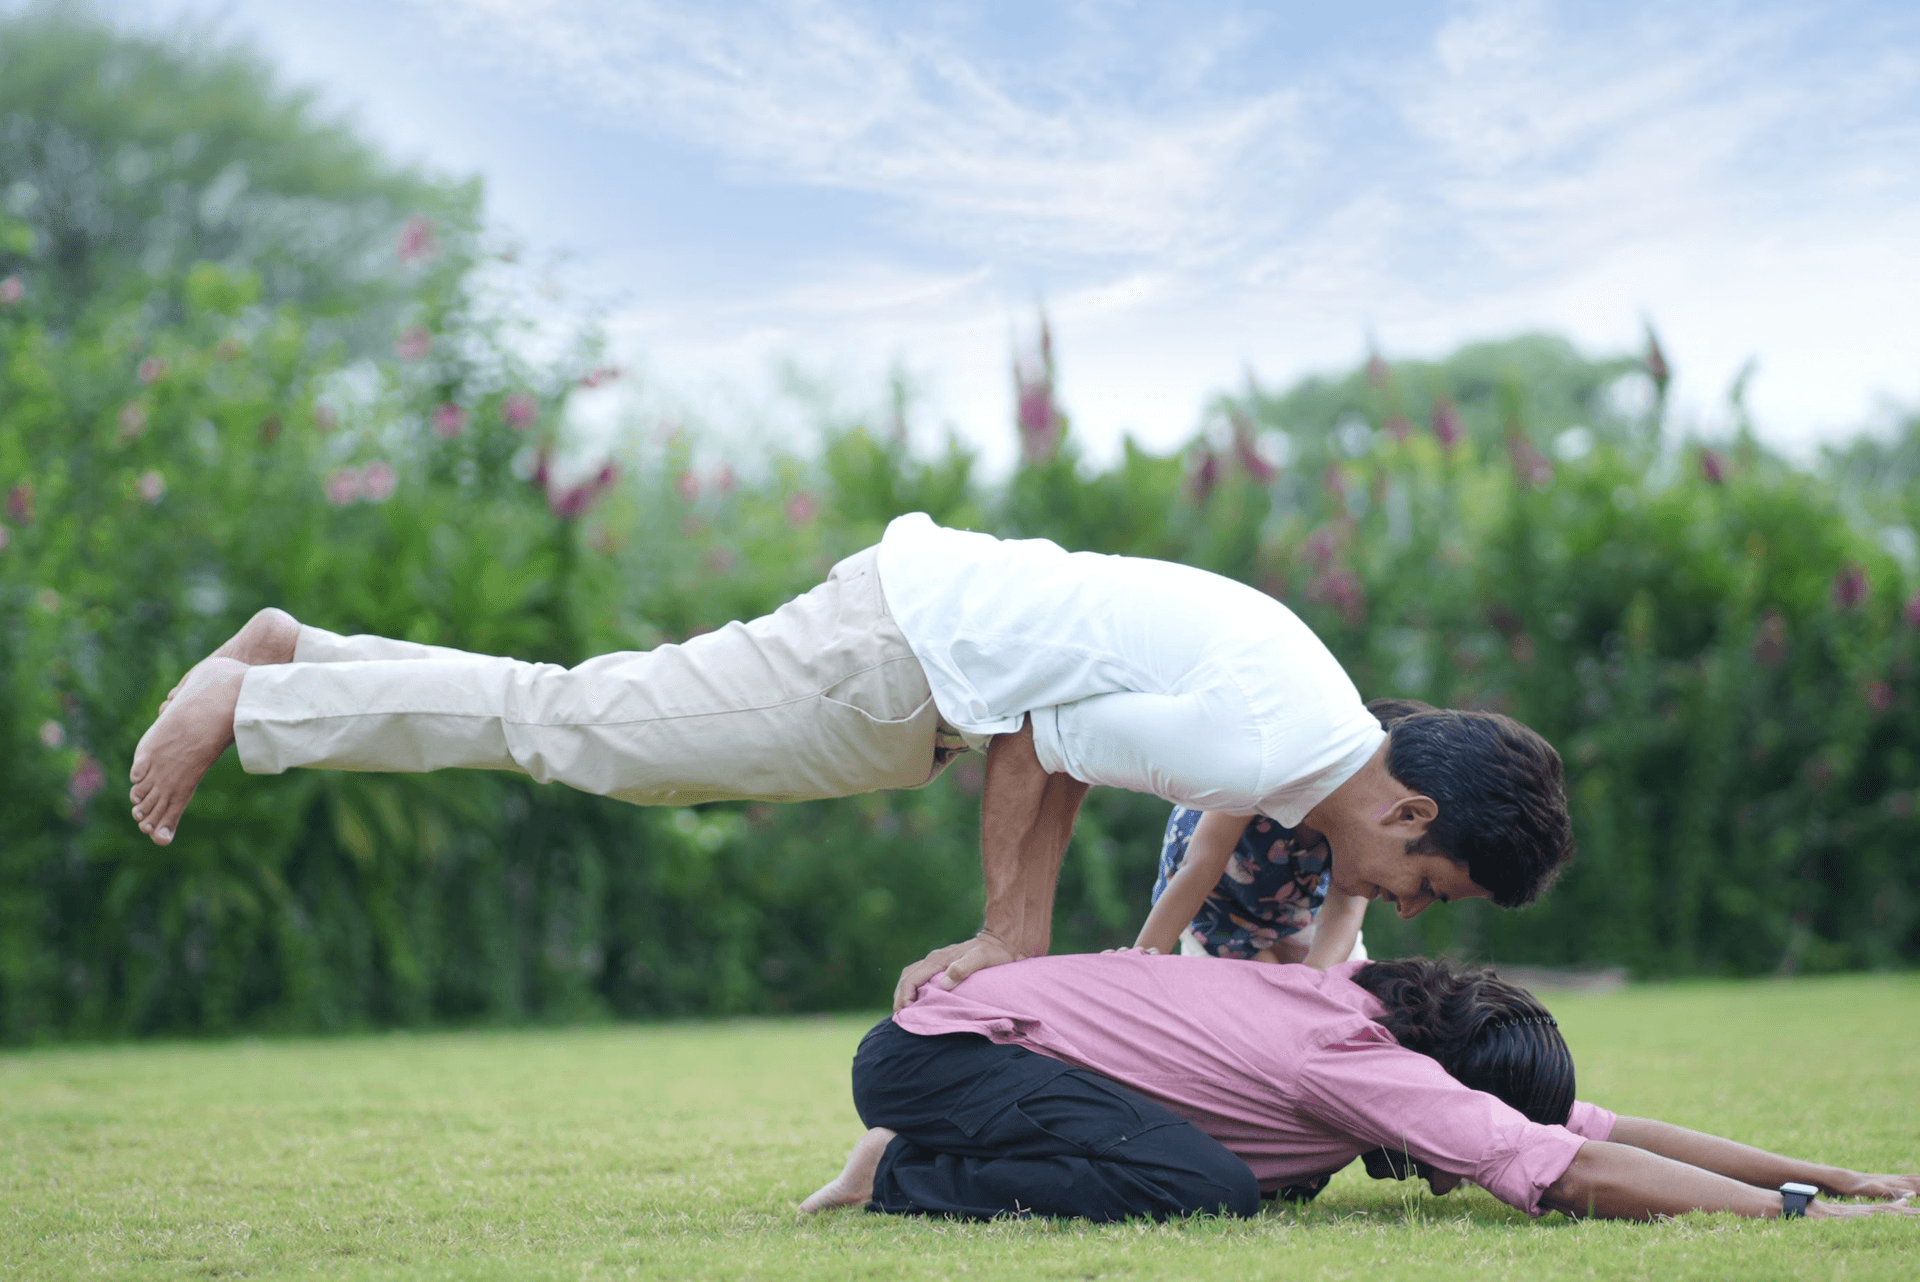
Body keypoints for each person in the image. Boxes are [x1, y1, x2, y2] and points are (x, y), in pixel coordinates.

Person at [130, 514, 1574, 999]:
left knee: (585, 718)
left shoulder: (1306, 735)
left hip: (911, 660)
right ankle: (253, 702)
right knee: (587, 733)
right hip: (895, 661)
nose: (1398, 894)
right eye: (1422, 877)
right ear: (1410, 801)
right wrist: (1014, 932)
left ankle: (298, 657)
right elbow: (1036, 745)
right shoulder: (1272, 740)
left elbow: (1054, 733)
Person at [800, 953, 1920, 1223]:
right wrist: (1787, 1217)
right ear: (1445, 1079)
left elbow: (1603, 1127)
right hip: (939, 1057)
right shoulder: (1355, 1058)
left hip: (978, 1046)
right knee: (1216, 1183)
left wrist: (1837, 1176)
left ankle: (913, 1155)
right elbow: (1567, 1164)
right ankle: (898, 1169)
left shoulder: (1359, 1007)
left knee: (1275, 1176)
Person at [1133, 700, 1438, 968]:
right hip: (1215, 908)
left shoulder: (1364, 833)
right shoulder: (1272, 775)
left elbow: (1344, 913)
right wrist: (1139, 959)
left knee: (1346, 990)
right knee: (1245, 1005)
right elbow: (1199, 869)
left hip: (1291, 910)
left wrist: (1314, 983)